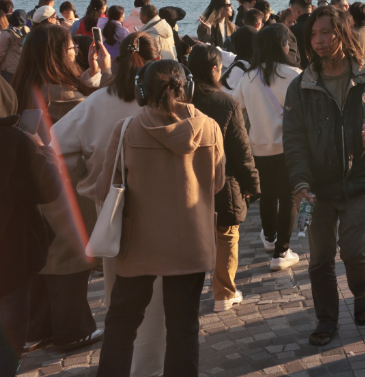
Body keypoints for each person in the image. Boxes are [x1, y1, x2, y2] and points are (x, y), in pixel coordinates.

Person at [94, 60, 226, 377]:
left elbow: (104, 188)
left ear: (142, 91)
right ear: (188, 87)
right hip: (191, 242)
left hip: (139, 244)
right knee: (183, 327)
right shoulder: (209, 127)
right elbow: (217, 182)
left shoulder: (127, 129)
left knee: (122, 322)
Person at [283, 6, 365, 347]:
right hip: (317, 186)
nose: (318, 40)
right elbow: (294, 140)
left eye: (326, 32)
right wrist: (300, 183)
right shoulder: (301, 86)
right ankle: (326, 318)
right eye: (313, 34)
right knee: (320, 259)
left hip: (359, 178)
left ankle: (362, 291)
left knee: (353, 250)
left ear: (342, 33)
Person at [55, 33, 166, 374]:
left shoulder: (96, 102)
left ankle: (124, 365)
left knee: (118, 296)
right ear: (158, 61)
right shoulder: (168, 102)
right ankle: (149, 367)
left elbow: (52, 147)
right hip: (162, 208)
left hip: (111, 208)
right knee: (156, 300)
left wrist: (88, 175)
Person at [186, 44, 261, 313]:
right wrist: (252, 184)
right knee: (227, 235)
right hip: (222, 180)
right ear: (215, 70)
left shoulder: (179, 102)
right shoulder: (226, 103)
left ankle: (187, 295)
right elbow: (241, 151)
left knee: (191, 239)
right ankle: (223, 293)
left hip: (185, 183)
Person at [233, 23, 303, 271]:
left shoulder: (248, 77)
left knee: (268, 195)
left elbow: (236, 106)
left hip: (259, 147)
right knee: (288, 197)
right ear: (282, 45)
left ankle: (270, 238)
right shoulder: (294, 74)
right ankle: (281, 252)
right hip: (289, 148)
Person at [0, 104, 61, 377]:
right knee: (9, 343)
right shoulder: (12, 139)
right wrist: (44, 150)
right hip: (9, 260)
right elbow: (49, 188)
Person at [0, 11, 25, 83]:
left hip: (8, 69)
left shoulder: (8, 33)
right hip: (22, 69)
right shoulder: (28, 32)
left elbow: (1, 53)